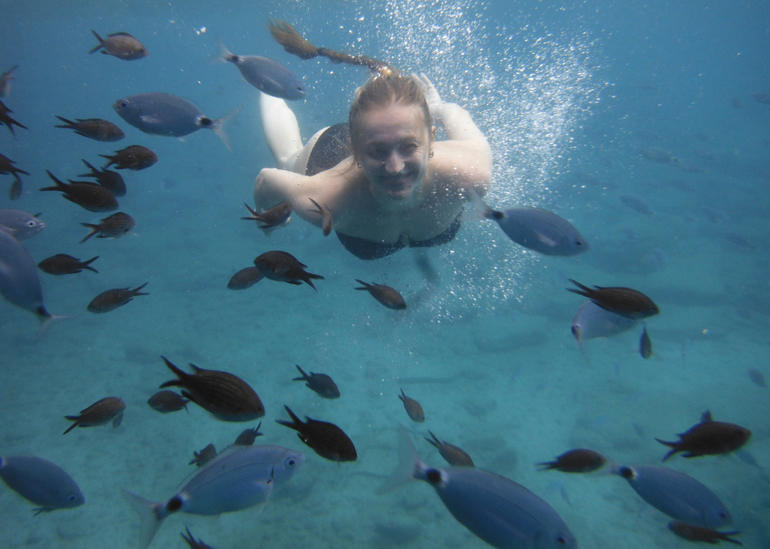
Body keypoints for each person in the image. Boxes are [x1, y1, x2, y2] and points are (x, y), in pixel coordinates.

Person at [252, 71, 492, 260]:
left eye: (409, 146)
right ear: (355, 150)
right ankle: (266, 80)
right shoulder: (325, 199)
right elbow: (265, 180)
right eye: (379, 151)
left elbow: (458, 116)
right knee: (288, 158)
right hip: (332, 155)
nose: (395, 168)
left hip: (372, 142)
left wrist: (438, 108)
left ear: (431, 140)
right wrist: (267, 216)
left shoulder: (470, 175)